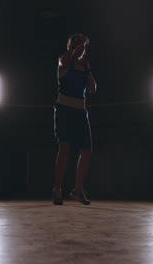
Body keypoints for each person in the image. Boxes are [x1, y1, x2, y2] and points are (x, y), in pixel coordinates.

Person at [52, 33, 97, 205]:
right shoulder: (64, 59)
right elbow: (63, 62)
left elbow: (93, 89)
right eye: (80, 46)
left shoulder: (84, 65)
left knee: (86, 151)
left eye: (84, 47)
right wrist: (72, 53)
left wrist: (88, 71)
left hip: (80, 112)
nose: (82, 50)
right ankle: (57, 189)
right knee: (64, 149)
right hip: (64, 110)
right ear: (73, 46)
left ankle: (78, 190)